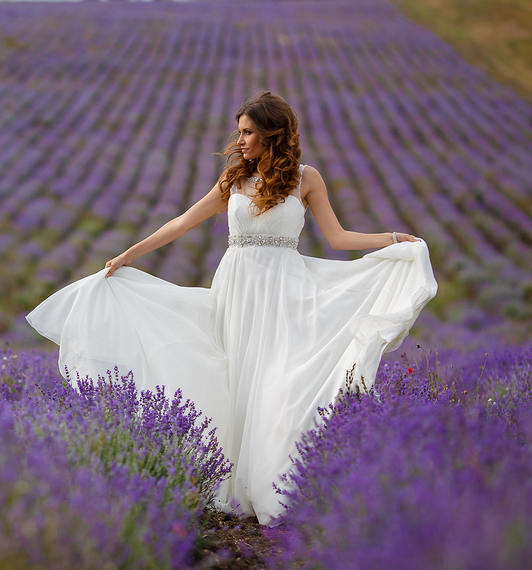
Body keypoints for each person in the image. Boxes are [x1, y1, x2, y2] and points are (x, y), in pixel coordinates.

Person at [26, 91, 437, 525]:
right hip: (237, 289)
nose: (239, 140)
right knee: (234, 377)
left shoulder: (306, 178)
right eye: (239, 131)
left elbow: (337, 238)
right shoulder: (234, 179)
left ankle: (272, 480)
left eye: (247, 132)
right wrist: (129, 254)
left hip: (285, 292)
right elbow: (182, 222)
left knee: (274, 380)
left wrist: (391, 240)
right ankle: (225, 479)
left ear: (270, 133)